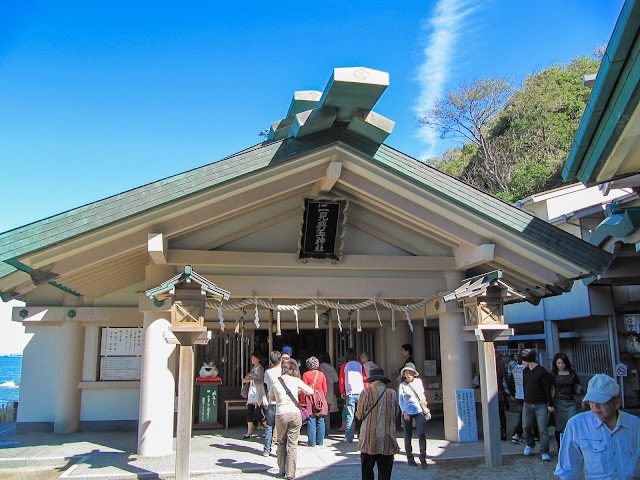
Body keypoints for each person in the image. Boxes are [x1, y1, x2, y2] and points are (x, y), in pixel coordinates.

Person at [555, 373, 640, 479]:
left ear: (616, 403)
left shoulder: (635, 425)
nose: (595, 406)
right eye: (591, 401)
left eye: (601, 401)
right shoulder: (576, 424)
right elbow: (566, 470)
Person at [272, 359, 313, 480]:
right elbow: (310, 391)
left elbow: (271, 397)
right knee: (292, 444)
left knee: (281, 442)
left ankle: (281, 469)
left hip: (281, 414)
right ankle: (291, 473)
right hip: (295, 413)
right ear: (293, 370)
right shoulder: (296, 381)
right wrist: (299, 390)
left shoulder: (275, 382)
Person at [355, 367, 400, 480]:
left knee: (367, 473)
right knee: (385, 474)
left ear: (371, 381)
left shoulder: (366, 392)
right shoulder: (392, 393)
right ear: (384, 381)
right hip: (387, 439)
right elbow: (396, 414)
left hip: (369, 439)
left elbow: (359, 415)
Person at [520, 348, 553, 462]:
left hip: (541, 404)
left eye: (523, 360)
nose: (521, 362)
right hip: (527, 403)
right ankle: (530, 443)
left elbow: (546, 388)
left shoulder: (542, 371)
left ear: (528, 359)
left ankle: (544, 451)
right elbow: (524, 385)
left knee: (543, 429)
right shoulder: (525, 371)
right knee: (526, 426)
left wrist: (550, 403)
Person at [397, 362, 428, 468]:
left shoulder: (419, 382)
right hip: (407, 412)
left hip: (419, 410)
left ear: (414, 373)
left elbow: (422, 394)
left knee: (421, 434)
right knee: (407, 435)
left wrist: (424, 401)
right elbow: (400, 399)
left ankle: (423, 457)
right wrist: (404, 411)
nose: (408, 375)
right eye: (406, 372)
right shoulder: (402, 385)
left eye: (410, 372)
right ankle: (410, 457)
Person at [550, 352, 581, 447]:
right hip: (558, 401)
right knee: (559, 426)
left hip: (571, 401)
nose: (561, 365)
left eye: (562, 363)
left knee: (572, 424)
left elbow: (578, 385)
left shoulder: (571, 372)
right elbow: (550, 388)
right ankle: (560, 446)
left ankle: (572, 445)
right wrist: (550, 403)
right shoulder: (554, 374)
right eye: (558, 363)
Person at [509, 354, 539, 443]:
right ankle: (519, 433)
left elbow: (510, 382)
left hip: (518, 395)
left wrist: (512, 394)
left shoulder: (515, 369)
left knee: (522, 414)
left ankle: (521, 433)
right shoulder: (527, 370)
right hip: (527, 395)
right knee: (529, 415)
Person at [339, 348, 367, 443]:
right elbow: (364, 378)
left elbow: (342, 380)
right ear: (356, 356)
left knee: (349, 415)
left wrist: (342, 392)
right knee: (362, 414)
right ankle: (362, 434)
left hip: (350, 393)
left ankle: (349, 436)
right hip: (360, 392)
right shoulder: (360, 365)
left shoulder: (344, 366)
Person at [301, 356, 328, 446]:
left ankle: (311, 442)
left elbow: (304, 389)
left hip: (309, 396)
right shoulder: (321, 374)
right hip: (320, 396)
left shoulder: (305, 375)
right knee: (321, 419)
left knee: (311, 419)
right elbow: (325, 388)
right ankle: (320, 441)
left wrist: (302, 400)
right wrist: (321, 397)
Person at [242, 351, 268, 439]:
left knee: (260, 413)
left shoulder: (260, 368)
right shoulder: (253, 368)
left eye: (254, 358)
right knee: (249, 412)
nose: (252, 360)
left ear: (258, 359)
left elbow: (260, 380)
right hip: (252, 393)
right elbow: (244, 379)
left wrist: (252, 377)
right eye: (252, 358)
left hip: (258, 393)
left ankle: (269, 430)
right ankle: (249, 432)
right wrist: (251, 377)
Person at [263, 350, 282, 456]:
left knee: (269, 425)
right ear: (280, 360)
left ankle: (266, 449)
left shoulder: (268, 372)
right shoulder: (284, 371)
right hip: (282, 401)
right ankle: (280, 449)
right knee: (282, 426)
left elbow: (266, 384)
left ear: (270, 361)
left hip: (271, 399)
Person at [319, 352, 339, 435]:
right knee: (327, 412)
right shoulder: (331, 367)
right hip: (329, 391)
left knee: (319, 412)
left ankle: (320, 431)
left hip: (320, 391)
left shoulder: (320, 366)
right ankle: (327, 430)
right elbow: (336, 380)